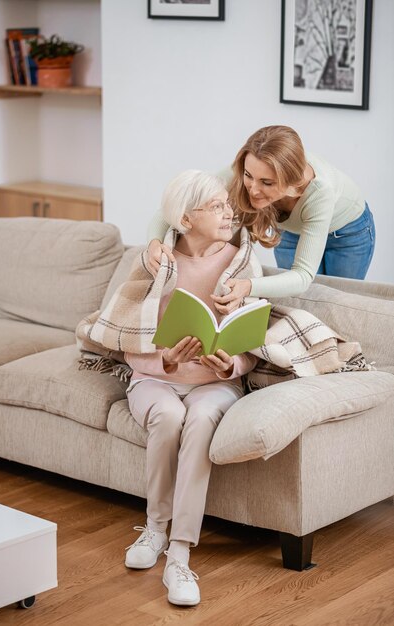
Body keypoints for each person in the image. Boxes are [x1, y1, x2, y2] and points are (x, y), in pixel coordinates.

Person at [124, 170, 257, 607]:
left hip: (213, 384)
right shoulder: (155, 261)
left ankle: (179, 554)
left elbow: (253, 335)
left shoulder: (240, 263)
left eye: (227, 204)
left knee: (199, 418)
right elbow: (126, 335)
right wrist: (165, 359)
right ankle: (154, 528)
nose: (228, 212)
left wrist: (231, 362)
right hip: (155, 378)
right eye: (216, 207)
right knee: (168, 414)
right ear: (185, 217)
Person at [146, 125, 376, 314]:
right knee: (296, 303)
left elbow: (303, 276)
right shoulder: (250, 168)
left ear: (292, 183)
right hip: (293, 228)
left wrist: (249, 286)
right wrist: (154, 243)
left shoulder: (320, 193)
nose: (253, 189)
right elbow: (174, 206)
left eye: (267, 183)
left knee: (339, 304)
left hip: (347, 233)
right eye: (248, 176)